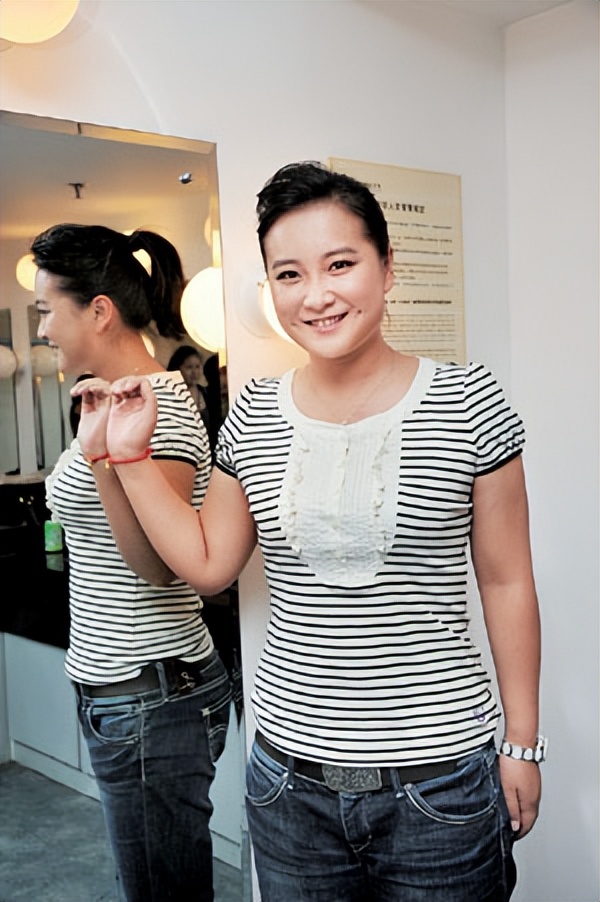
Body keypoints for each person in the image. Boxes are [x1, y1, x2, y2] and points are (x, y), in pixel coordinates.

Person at [75, 163, 543, 902]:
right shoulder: (254, 413)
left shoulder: (467, 400)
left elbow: (508, 581)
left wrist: (522, 742)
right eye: (288, 274)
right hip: (289, 789)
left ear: (387, 268)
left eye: (340, 264)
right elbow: (208, 564)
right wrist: (129, 458)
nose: (316, 295)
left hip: (440, 785)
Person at [32, 223, 231, 902]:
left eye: (47, 311)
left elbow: (159, 566)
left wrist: (107, 461)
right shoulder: (111, 397)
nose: (43, 330)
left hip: (151, 694)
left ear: (98, 311)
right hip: (125, 689)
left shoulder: (158, 410)